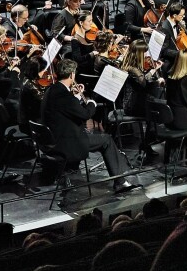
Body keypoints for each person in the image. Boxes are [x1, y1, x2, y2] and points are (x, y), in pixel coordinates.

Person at [40, 58, 135, 193]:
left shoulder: (52, 90)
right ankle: (120, 182)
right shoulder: (64, 96)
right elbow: (85, 114)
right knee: (106, 140)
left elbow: (66, 108)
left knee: (99, 137)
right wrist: (91, 102)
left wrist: (76, 97)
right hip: (67, 143)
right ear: (72, 75)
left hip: (52, 139)